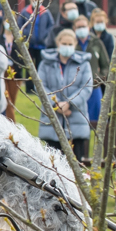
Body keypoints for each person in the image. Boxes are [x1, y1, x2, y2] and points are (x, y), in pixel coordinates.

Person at [36, 26, 93, 161]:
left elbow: (86, 87)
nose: (67, 46)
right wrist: (56, 105)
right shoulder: (46, 63)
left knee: (75, 162)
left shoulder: (84, 64)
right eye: (64, 43)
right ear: (58, 43)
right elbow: (40, 86)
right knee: (53, 162)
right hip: (52, 117)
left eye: (70, 44)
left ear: (75, 44)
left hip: (76, 116)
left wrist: (69, 104)